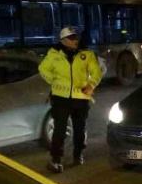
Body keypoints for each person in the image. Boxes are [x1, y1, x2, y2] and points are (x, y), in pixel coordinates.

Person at [38, 26, 102, 173]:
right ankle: (56, 160)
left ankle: (78, 155)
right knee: (59, 131)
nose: (75, 40)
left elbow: (96, 72)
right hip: (61, 98)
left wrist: (91, 85)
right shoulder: (54, 54)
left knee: (80, 129)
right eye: (72, 38)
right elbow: (43, 69)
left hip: (80, 98)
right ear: (63, 40)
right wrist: (54, 81)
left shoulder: (86, 54)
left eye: (76, 37)